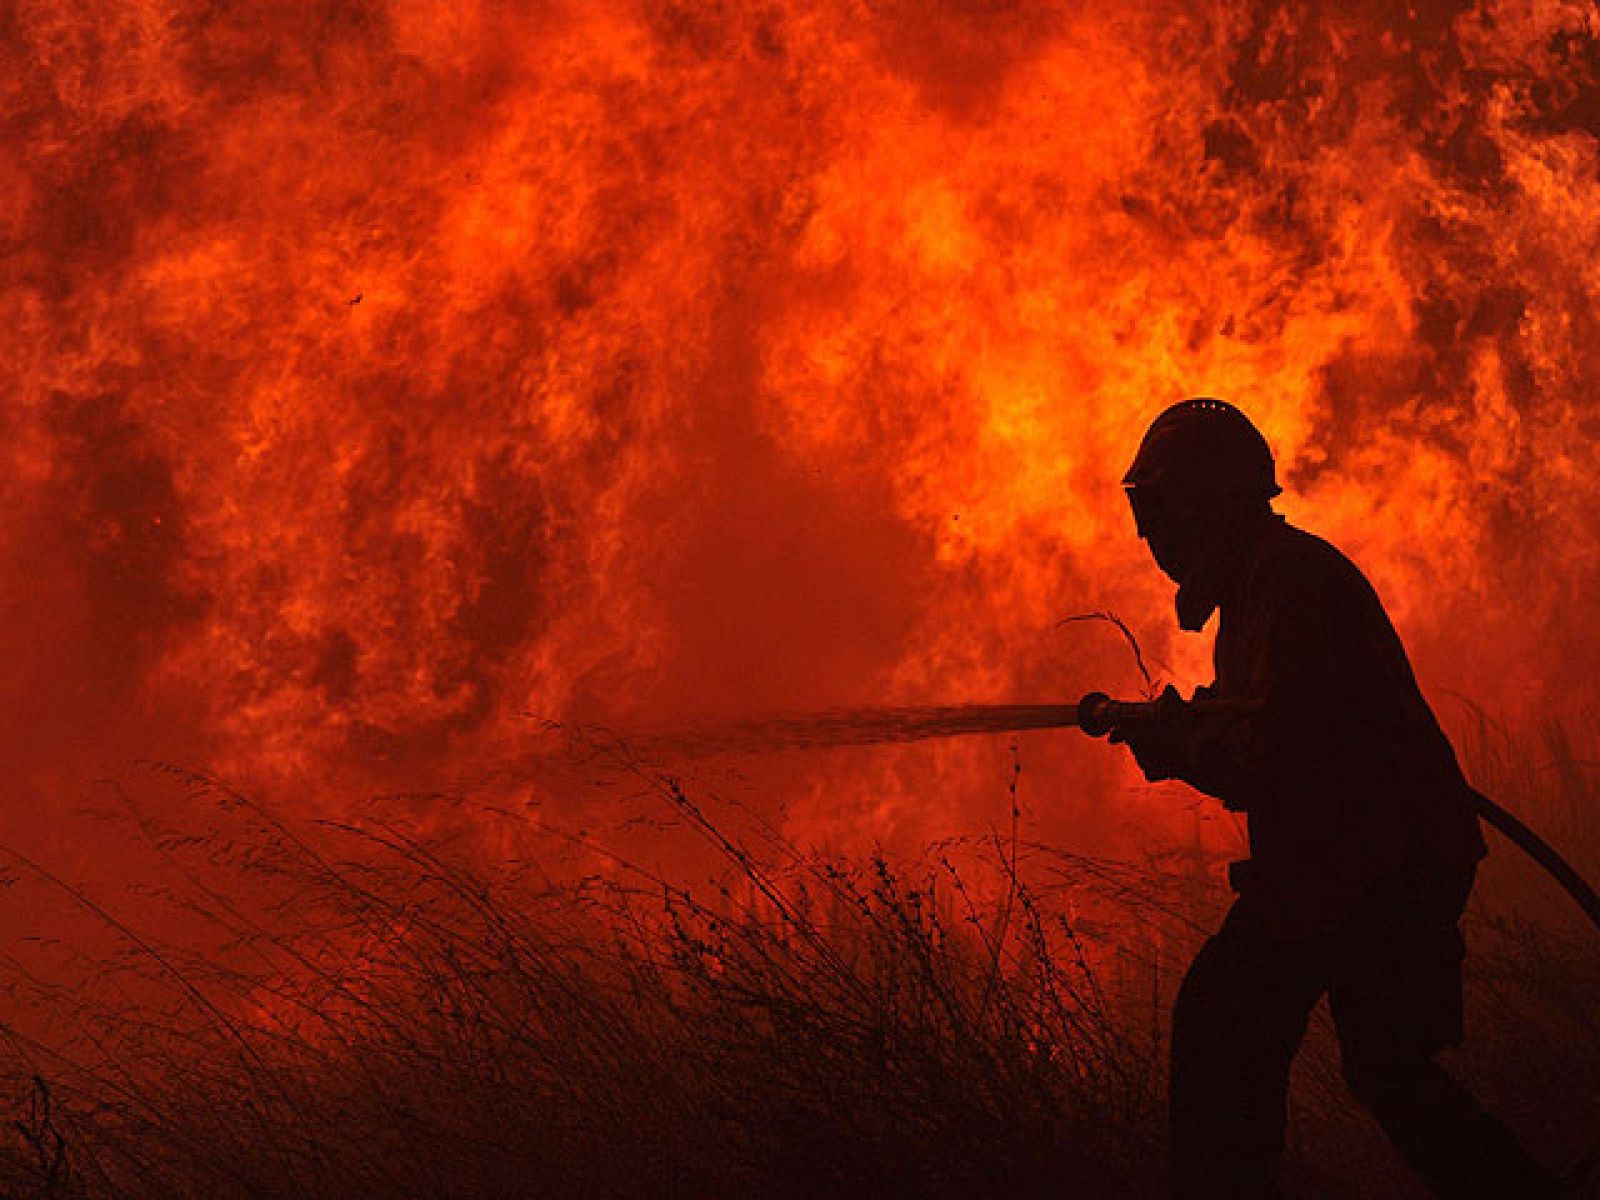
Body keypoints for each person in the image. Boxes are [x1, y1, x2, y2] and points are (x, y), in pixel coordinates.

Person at [1112, 398, 1559, 1198]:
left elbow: (1281, 748)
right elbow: (1266, 717)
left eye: (1160, 510)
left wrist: (1177, 740)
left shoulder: (1287, 582)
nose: (1151, 537)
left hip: (1375, 866)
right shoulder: (1267, 582)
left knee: (1228, 1026)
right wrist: (1182, 725)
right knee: (1386, 1072)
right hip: (1364, 859)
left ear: (1207, 503)